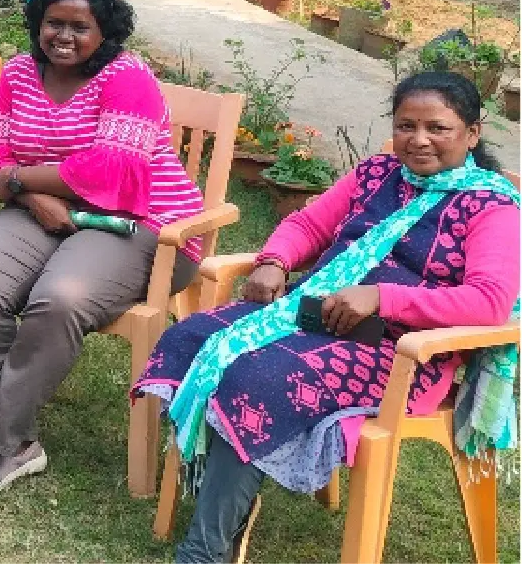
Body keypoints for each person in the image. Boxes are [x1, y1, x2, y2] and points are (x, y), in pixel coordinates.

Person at [135, 72, 519, 563]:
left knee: (257, 376)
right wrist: (274, 261)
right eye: (406, 125)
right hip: (313, 314)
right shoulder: (378, 174)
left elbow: (488, 301)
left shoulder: (492, 207)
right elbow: (309, 224)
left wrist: (383, 297)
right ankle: (226, 500)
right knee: (191, 336)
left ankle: (204, 550)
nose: (419, 140)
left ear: (472, 133)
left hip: (400, 353)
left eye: (437, 128)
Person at [0, 0, 204, 494]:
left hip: (143, 223)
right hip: (45, 212)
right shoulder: (19, 74)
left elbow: (111, 171)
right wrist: (31, 196)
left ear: (104, 32)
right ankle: (17, 440)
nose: (64, 37)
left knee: (61, 297)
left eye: (80, 26)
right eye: (54, 23)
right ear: (38, 23)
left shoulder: (127, 76)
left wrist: (20, 180)